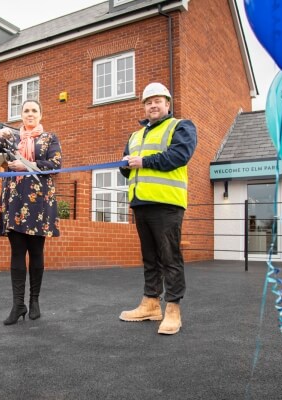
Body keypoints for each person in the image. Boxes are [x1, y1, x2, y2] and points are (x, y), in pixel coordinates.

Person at [118, 82, 197, 335]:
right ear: (144, 106)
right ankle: (151, 303)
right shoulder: (135, 136)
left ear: (167, 104)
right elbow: (125, 167)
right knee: (150, 258)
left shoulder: (181, 126)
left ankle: (173, 308)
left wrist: (142, 161)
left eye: (158, 100)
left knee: (170, 258)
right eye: (148, 102)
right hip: (141, 202)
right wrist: (125, 165)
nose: (153, 105)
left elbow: (179, 156)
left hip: (167, 203)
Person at [0, 99, 62, 325]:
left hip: (39, 201)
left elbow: (55, 164)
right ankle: (18, 305)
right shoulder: (10, 138)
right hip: (14, 200)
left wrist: (26, 166)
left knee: (36, 252)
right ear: (21, 115)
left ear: (40, 115)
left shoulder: (49, 138)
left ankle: (34, 301)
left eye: (34, 110)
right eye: (26, 111)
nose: (30, 114)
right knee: (16, 253)